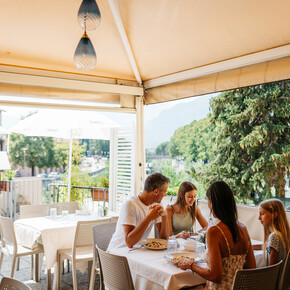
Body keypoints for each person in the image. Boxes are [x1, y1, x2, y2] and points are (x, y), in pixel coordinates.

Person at [176, 180, 256, 289]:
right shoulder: (243, 229)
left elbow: (215, 276)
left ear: (211, 202)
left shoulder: (214, 232)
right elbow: (251, 268)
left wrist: (190, 265)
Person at [108, 172, 170, 250]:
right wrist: (149, 218)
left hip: (136, 251)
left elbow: (164, 240)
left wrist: (165, 216)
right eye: (164, 191)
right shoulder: (130, 204)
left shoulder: (156, 205)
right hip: (118, 252)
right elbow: (129, 242)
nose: (165, 195)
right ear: (156, 191)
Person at [258, 198, 290, 266]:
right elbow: (266, 245)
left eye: (262, 214)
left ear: (274, 215)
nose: (259, 218)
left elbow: (271, 269)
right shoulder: (282, 235)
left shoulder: (274, 236)